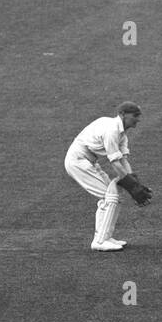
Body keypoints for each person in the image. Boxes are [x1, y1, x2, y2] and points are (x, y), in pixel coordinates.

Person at [65, 103, 152, 251]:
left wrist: (135, 183)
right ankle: (99, 242)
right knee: (109, 197)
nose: (138, 120)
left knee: (114, 195)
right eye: (135, 116)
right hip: (78, 162)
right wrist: (132, 187)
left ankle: (106, 237)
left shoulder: (122, 134)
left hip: (89, 161)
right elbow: (115, 164)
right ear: (123, 114)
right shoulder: (112, 130)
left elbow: (124, 160)